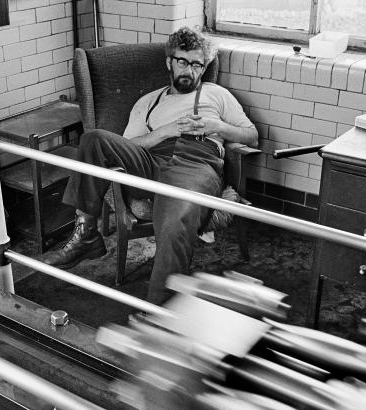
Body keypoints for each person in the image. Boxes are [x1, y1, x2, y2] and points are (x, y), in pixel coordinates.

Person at [42, 26, 259, 305]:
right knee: (94, 140)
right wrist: (166, 131)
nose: (190, 70)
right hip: (152, 157)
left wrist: (217, 126)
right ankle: (86, 233)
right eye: (183, 61)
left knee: (174, 220)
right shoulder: (148, 101)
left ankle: (160, 305)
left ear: (204, 68)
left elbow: (251, 135)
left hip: (196, 161)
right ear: (170, 62)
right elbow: (131, 145)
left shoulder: (216, 94)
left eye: (197, 65)